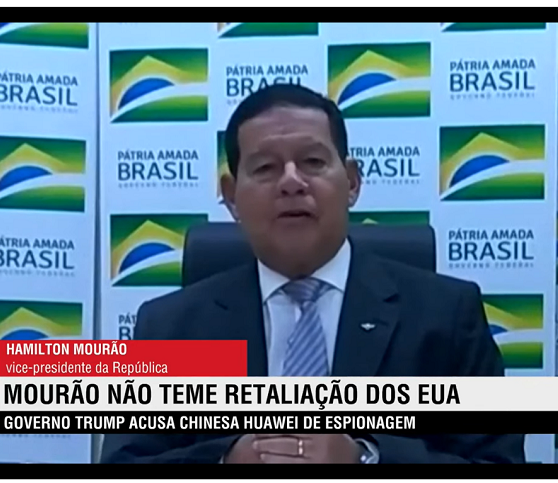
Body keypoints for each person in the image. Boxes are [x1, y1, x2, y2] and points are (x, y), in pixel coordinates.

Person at [100, 84, 525, 464]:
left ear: (352, 182)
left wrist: (367, 459)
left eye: (312, 162)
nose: (291, 182)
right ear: (231, 197)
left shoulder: (444, 316)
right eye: (265, 168)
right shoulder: (173, 327)